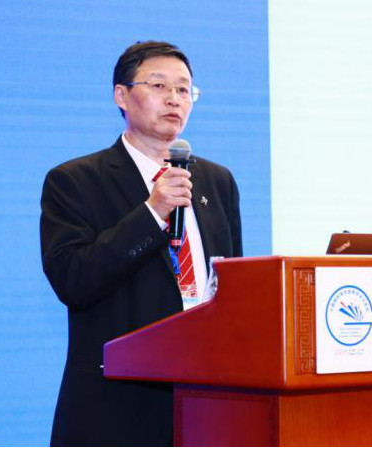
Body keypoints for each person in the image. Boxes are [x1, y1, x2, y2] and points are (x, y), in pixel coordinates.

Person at [40, 41, 242, 446]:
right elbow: (74, 280)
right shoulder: (75, 181)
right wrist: (153, 212)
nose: (174, 99)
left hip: (206, 396)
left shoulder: (217, 181)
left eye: (184, 89)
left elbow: (229, 283)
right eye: (159, 85)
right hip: (118, 404)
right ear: (121, 95)